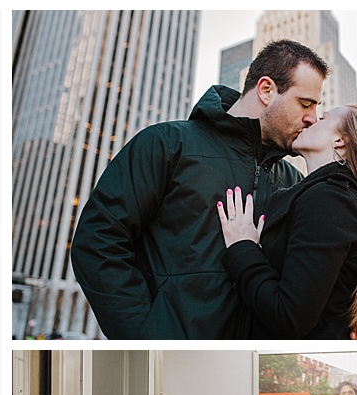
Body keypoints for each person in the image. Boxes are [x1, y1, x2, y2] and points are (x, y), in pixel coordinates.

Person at [71, 40, 327, 339]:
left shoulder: (293, 181)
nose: (313, 117)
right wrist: (146, 335)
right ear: (266, 90)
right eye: (305, 104)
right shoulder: (167, 144)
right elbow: (98, 241)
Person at [216, 104, 357, 339]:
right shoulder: (327, 196)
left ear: (340, 141)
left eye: (323, 118)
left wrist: (242, 247)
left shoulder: (331, 200)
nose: (311, 120)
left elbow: (288, 316)